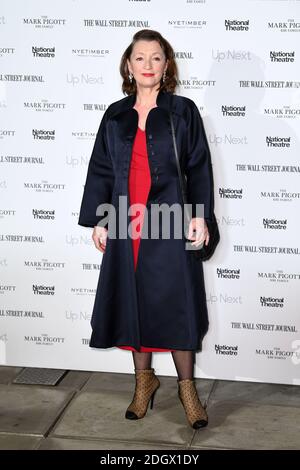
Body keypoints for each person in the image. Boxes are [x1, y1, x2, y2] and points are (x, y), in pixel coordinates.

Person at [78, 29, 215, 429]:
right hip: (125, 221)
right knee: (133, 300)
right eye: (140, 58)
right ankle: (144, 383)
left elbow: (199, 166)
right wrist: (101, 220)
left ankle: (187, 388)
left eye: (156, 58)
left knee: (177, 302)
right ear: (128, 65)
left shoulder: (183, 111)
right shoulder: (115, 114)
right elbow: (101, 168)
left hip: (170, 221)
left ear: (166, 65)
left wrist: (199, 214)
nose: (148, 65)